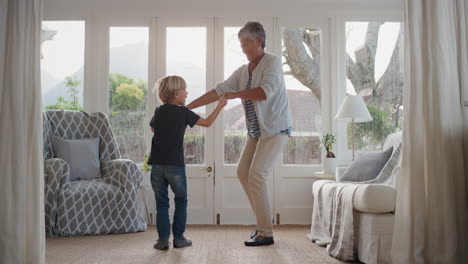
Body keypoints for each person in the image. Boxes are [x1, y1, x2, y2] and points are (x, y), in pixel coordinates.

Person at [187, 22, 292, 247]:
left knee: (257, 176)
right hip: (256, 132)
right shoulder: (244, 71)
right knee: (243, 173)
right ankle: (264, 223)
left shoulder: (272, 62)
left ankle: (266, 232)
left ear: (258, 41)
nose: (244, 49)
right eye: (241, 45)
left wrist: (234, 94)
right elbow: (218, 90)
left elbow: (265, 92)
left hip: (276, 129)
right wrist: (188, 107)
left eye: (246, 44)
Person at [148, 75, 227, 250]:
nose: (187, 93)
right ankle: (179, 239)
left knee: (161, 203)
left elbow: (153, 128)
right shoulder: (183, 112)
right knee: (181, 200)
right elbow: (207, 122)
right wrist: (220, 106)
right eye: (184, 90)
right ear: (176, 94)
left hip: (157, 166)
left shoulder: (159, 111)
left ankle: (162, 241)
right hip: (175, 166)